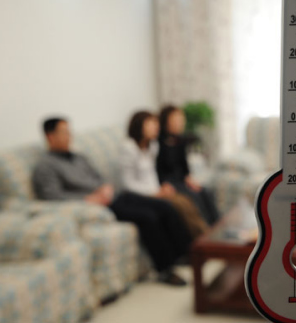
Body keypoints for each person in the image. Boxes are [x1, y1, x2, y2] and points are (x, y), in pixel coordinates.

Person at [32, 117, 191, 286]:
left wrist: (105, 187)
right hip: (97, 206)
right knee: (148, 217)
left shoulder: (79, 157)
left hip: (113, 196)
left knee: (166, 207)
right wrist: (89, 199)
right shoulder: (45, 166)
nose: (69, 136)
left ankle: (187, 253)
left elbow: (98, 177)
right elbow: (52, 196)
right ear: (50, 136)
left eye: (69, 132)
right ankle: (165, 270)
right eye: (64, 133)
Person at [120, 111, 208, 239]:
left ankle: (204, 236)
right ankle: (198, 241)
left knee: (186, 202)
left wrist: (161, 188)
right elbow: (128, 183)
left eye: (156, 123)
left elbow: (152, 174)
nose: (156, 127)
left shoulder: (152, 146)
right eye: (151, 124)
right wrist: (154, 193)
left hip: (156, 190)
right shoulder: (128, 148)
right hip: (140, 195)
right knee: (179, 205)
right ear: (139, 126)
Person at [157, 105, 220, 225]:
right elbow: (158, 170)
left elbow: (184, 167)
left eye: (181, 120)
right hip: (168, 183)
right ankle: (204, 231)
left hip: (181, 180)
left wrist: (189, 179)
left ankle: (217, 226)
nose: (180, 123)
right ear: (166, 122)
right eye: (176, 120)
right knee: (193, 197)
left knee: (205, 192)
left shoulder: (180, 141)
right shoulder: (158, 143)